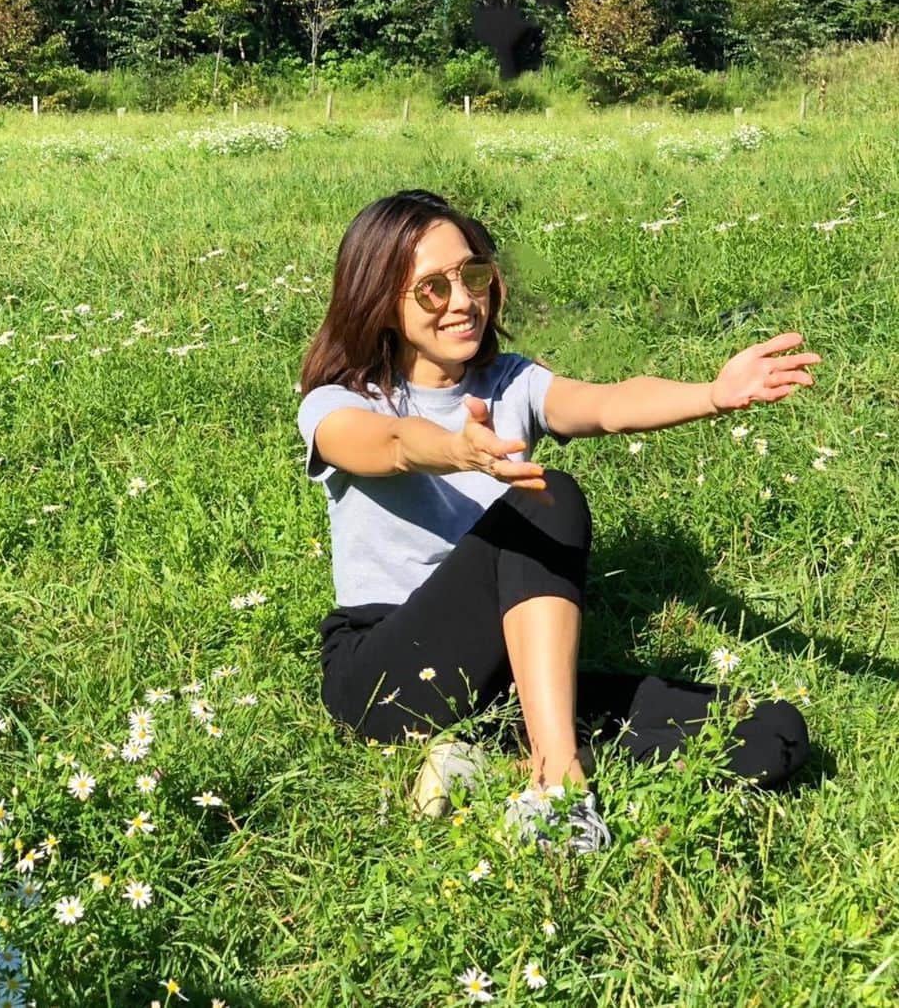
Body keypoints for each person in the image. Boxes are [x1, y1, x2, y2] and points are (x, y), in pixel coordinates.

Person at [297, 189, 817, 851]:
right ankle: (559, 785)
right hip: (385, 675)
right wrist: (456, 448)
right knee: (552, 498)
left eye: (474, 275)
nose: (464, 301)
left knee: (772, 732)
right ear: (383, 303)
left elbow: (606, 404)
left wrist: (712, 396)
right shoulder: (338, 403)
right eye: (432, 288)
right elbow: (386, 445)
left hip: (503, 681)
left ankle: (499, 756)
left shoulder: (511, 382)